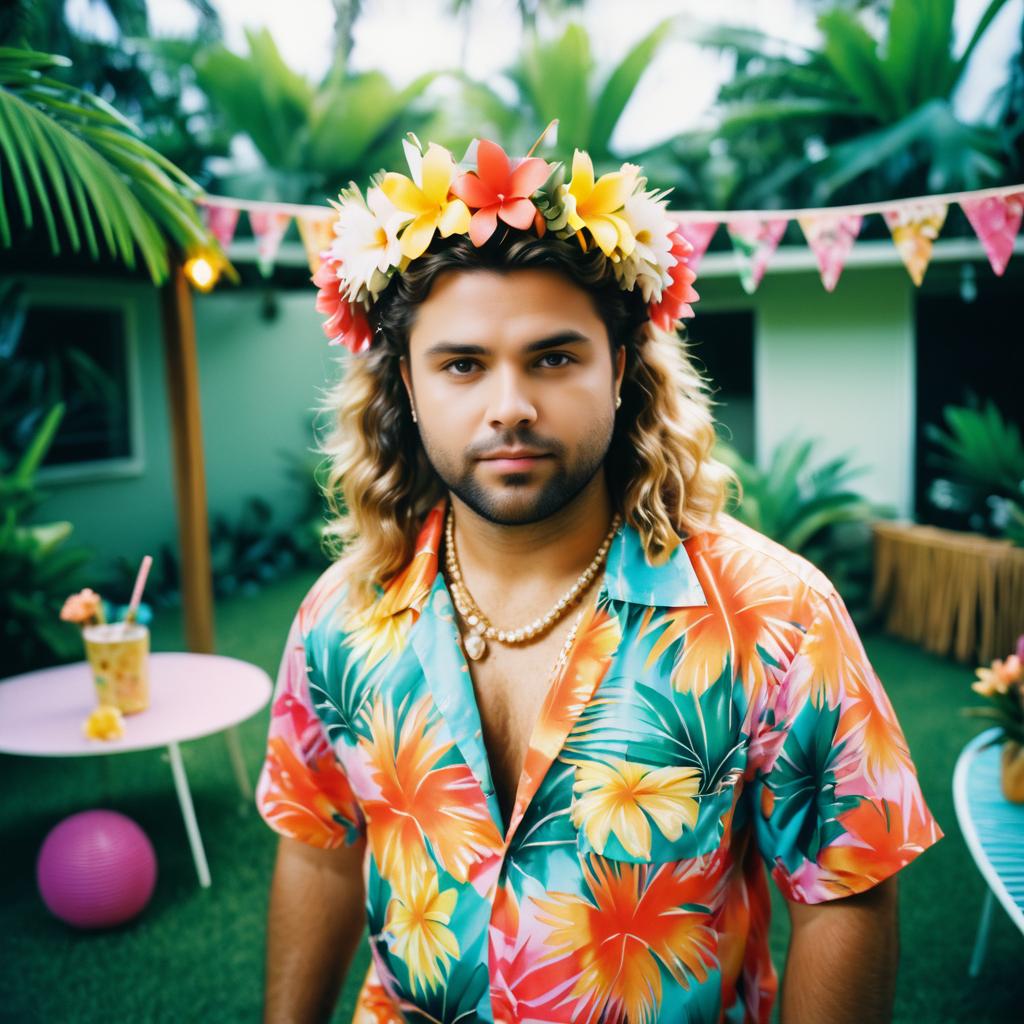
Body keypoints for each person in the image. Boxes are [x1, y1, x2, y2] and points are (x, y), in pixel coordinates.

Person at [255, 136, 943, 1024]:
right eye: (463, 364)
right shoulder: (338, 618)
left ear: (618, 370)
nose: (510, 405)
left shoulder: (777, 616)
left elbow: (844, 893)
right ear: (410, 389)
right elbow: (319, 849)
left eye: (554, 357)